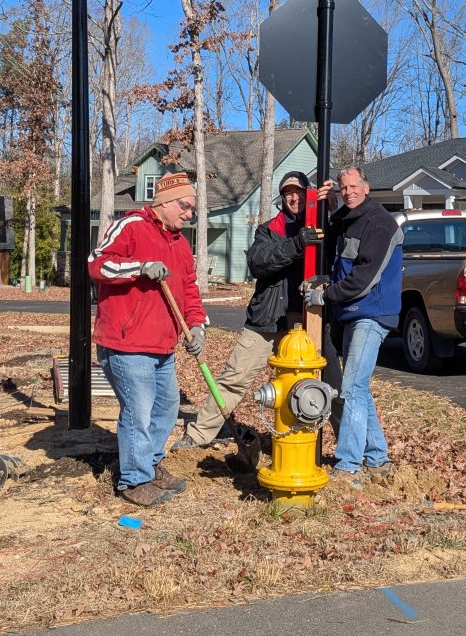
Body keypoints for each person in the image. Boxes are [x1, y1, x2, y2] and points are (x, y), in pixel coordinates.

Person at [173, 170, 342, 449]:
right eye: (288, 193)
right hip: (267, 319)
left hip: (308, 319)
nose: (293, 197)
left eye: (298, 192)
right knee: (235, 378)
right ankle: (199, 434)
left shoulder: (324, 227)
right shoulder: (269, 229)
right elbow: (258, 262)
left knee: (326, 384)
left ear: (307, 195)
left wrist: (332, 208)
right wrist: (297, 244)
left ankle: (348, 449)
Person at [88, 170, 208, 507]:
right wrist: (139, 268)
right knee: (138, 412)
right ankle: (133, 479)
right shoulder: (131, 227)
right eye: (185, 206)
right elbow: (97, 265)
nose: (189, 214)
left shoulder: (181, 244)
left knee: (167, 409)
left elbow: (190, 289)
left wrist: (197, 325)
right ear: (165, 202)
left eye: (192, 208)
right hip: (126, 344)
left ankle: (149, 464)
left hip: (162, 345)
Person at [303, 165, 403, 489]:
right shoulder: (348, 219)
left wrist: (326, 294)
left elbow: (363, 278)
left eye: (353, 186)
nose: (348, 192)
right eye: (343, 188)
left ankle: (348, 467)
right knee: (359, 388)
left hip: (371, 314)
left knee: (352, 388)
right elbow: (334, 254)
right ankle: (378, 459)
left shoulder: (380, 223)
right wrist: (327, 207)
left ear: (367, 187)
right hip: (352, 313)